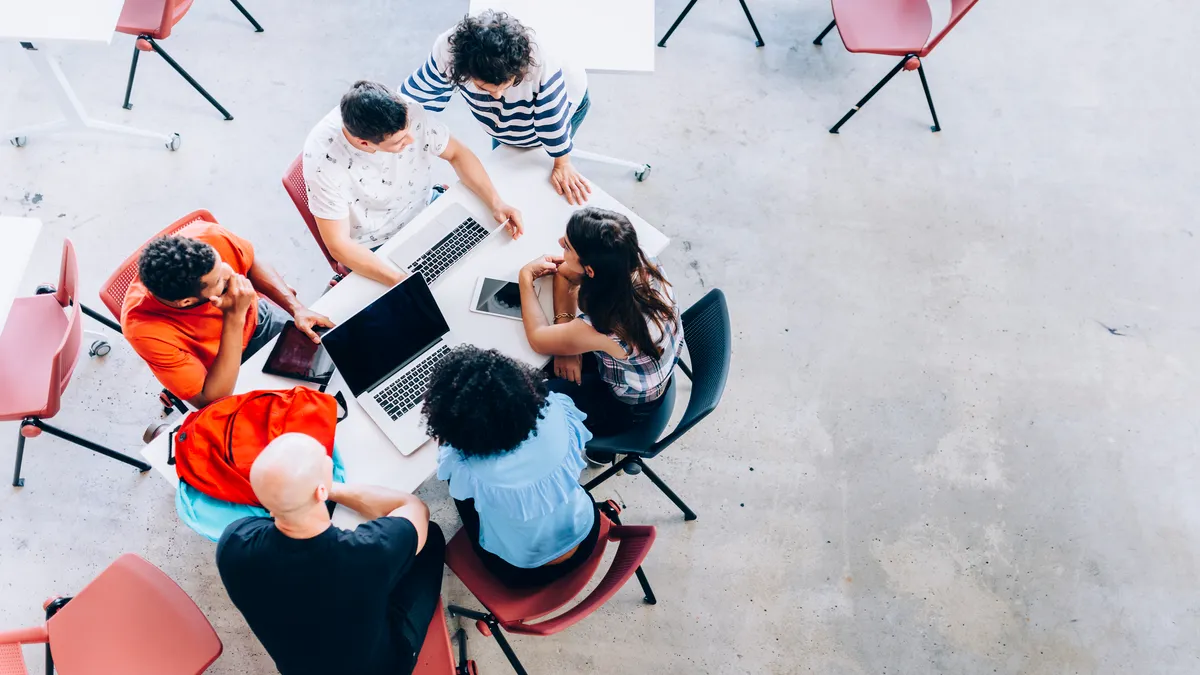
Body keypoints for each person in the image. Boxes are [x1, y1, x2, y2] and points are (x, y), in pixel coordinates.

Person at [216, 433, 444, 675]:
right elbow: (414, 508)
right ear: (321, 490)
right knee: (432, 537)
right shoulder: (369, 554)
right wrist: (328, 490)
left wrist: (301, 493)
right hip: (383, 667)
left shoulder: (232, 544)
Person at [302, 80, 524, 286]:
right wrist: (401, 282)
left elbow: (457, 153)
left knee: (495, 262)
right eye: (399, 142)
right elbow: (338, 245)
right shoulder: (323, 162)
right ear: (364, 143)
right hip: (377, 245)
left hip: (427, 208)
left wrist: (496, 203)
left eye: (408, 132)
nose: (411, 140)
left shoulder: (408, 111)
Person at [423, 346, 600, 587]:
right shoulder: (558, 408)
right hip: (587, 532)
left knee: (456, 485)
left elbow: (454, 476)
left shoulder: (467, 468)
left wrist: (447, 441)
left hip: (522, 571)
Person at [121, 220, 333, 409]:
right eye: (220, 283)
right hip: (219, 372)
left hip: (261, 321)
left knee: (333, 371)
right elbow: (211, 399)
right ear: (187, 302)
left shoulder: (208, 235)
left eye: (221, 263)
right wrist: (234, 317)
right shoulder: (143, 329)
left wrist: (297, 308)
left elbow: (249, 262)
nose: (231, 274)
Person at [517, 207, 684, 439]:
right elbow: (564, 274)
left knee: (524, 403)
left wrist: (525, 278)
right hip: (651, 368)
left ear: (590, 271)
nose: (559, 242)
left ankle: (600, 445)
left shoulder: (609, 324)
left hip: (626, 405)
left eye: (567, 246)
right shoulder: (637, 259)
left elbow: (537, 338)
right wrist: (565, 339)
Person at [402, 11, 593, 205]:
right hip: (515, 112)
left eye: (504, 87)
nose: (497, 97)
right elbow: (414, 99)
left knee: (530, 174)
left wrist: (562, 163)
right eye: (484, 88)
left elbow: (552, 121)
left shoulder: (541, 64)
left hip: (564, 100)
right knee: (505, 159)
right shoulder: (448, 51)